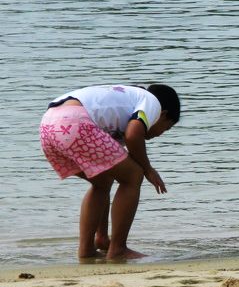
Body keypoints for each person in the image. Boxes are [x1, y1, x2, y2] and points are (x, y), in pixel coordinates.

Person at [39, 84, 180, 260]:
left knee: (102, 181)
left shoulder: (127, 102)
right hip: (74, 122)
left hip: (48, 126)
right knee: (133, 175)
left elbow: (123, 139)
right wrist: (148, 169)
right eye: (166, 128)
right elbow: (133, 134)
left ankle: (92, 247)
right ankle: (118, 249)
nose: (160, 134)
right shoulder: (152, 103)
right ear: (164, 115)